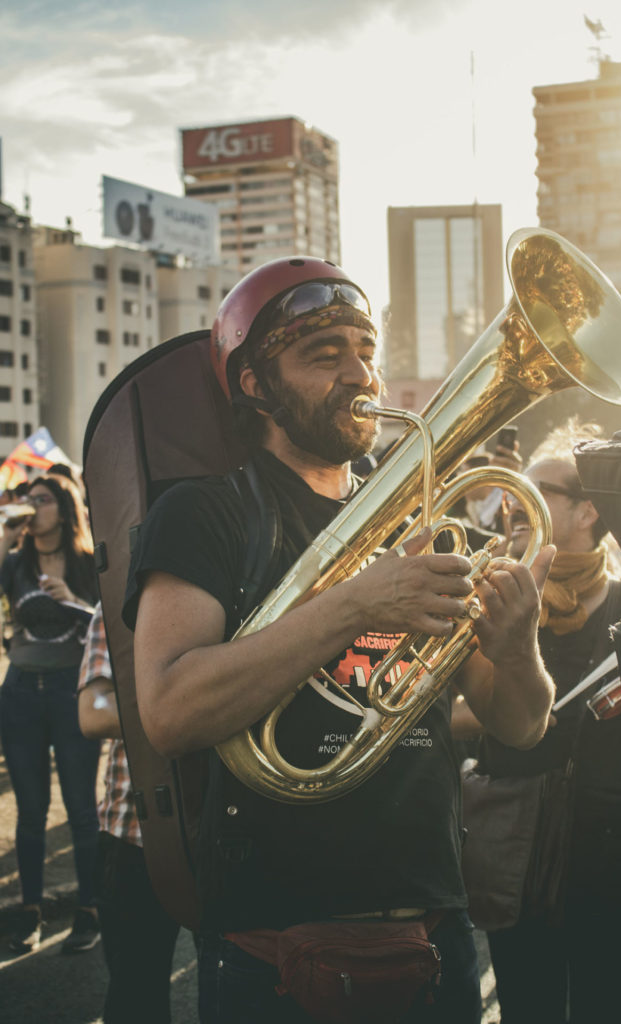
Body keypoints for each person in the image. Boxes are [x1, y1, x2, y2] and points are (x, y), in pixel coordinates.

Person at [122, 256, 556, 1023]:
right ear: (255, 384)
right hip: (274, 946)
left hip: (434, 927)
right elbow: (169, 710)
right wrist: (355, 604)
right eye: (323, 355)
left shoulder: (426, 518)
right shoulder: (202, 514)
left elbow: (519, 725)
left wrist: (517, 648)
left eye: (365, 351)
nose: (359, 373)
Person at [474, 435, 621, 1024]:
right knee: (527, 1005)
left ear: (587, 510)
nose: (513, 501)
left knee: (607, 999)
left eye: (536, 489)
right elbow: (443, 711)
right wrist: (519, 711)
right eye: (512, 490)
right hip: (515, 834)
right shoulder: (489, 597)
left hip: (610, 841)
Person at [0, 473, 100, 954]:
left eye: (41, 500)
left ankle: (90, 910)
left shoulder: (86, 563)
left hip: (69, 692)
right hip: (20, 693)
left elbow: (108, 625)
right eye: (27, 499)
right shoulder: (15, 562)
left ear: (63, 509)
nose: (32, 506)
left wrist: (73, 602)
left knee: (81, 809)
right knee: (30, 810)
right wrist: (5, 536)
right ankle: (30, 911)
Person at [77, 603, 181, 1023]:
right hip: (134, 831)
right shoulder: (117, 597)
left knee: (228, 994)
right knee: (135, 996)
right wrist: (185, 710)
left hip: (222, 830)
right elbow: (92, 711)